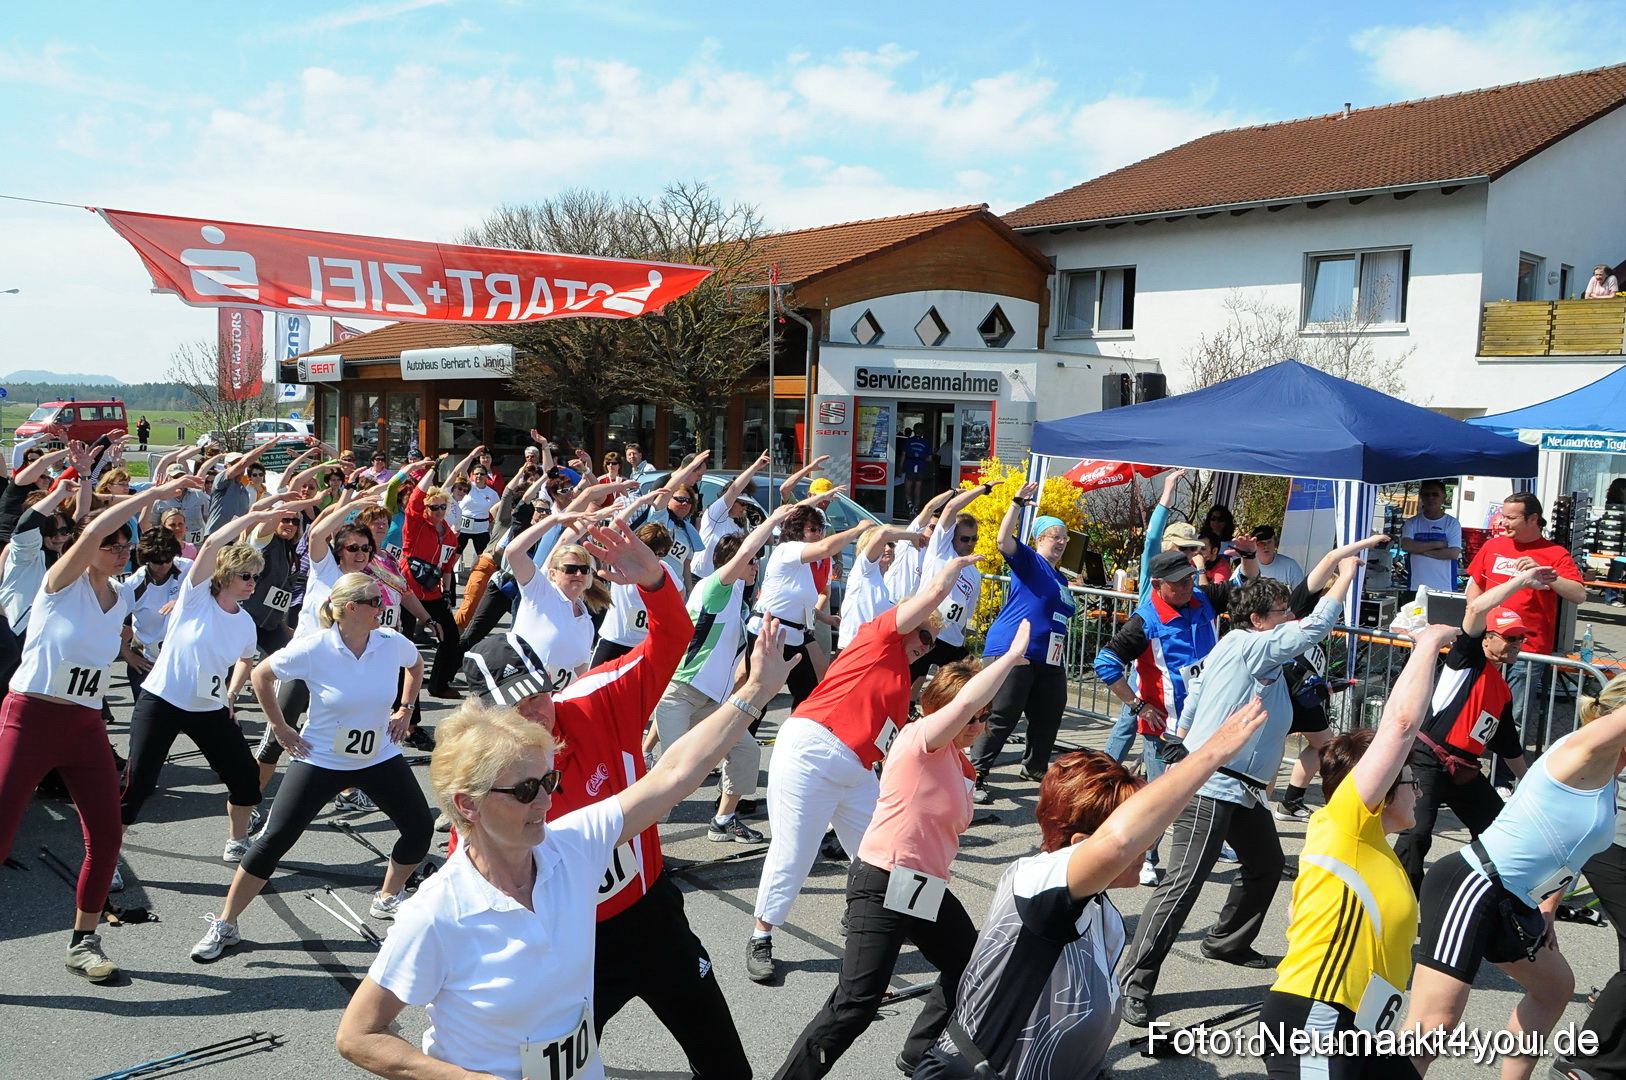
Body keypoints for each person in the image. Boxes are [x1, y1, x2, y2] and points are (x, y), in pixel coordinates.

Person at [334, 620, 798, 1080]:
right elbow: (358, 1036)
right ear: (467, 805)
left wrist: (754, 691)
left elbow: (675, 772)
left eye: (548, 782)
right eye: (523, 791)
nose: (544, 802)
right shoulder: (438, 910)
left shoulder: (571, 848)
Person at [914, 699, 1269, 1080]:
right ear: (1081, 841)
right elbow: (1118, 842)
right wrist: (1212, 753)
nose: (1149, 848)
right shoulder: (1036, 881)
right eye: (1143, 838)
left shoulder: (1102, 913)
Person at [772, 631, 1031, 1080]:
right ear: (948, 710)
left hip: (922, 887)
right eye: (975, 717)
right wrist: (1006, 660)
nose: (981, 727)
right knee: (855, 1005)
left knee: (967, 970)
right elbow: (965, 704)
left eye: (987, 720)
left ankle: (920, 1053)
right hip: (883, 878)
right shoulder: (920, 740)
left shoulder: (956, 759)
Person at [1118, 563, 1355, 1027]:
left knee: (1266, 865)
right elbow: (1316, 627)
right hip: (1213, 784)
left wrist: (1182, 734)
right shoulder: (1251, 646)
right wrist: (1344, 576)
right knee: (1182, 885)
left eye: (1289, 611)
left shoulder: (1237, 645)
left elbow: (1199, 686)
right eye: (1282, 613)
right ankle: (1133, 979)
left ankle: (1226, 942)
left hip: (1241, 789)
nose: (1289, 619)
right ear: (1258, 621)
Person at [0, 471, 202, 983]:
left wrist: (138, 656)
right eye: (111, 542)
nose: (120, 549)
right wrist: (151, 496)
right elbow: (88, 534)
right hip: (30, 717)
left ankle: (83, 941)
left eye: (125, 543)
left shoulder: (122, 596)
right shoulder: (57, 584)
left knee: (107, 835)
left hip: (84, 726)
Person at [746, 554, 978, 983]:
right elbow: (930, 595)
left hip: (857, 769)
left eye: (931, 642)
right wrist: (952, 568)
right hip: (812, 748)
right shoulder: (879, 637)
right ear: (908, 623)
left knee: (889, 848)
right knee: (794, 851)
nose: (925, 645)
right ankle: (762, 934)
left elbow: (899, 746)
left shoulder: (902, 685)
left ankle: (904, 923)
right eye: (923, 633)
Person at [191, 573, 432, 961]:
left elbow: (416, 665)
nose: (384, 606)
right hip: (321, 758)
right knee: (274, 839)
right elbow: (260, 675)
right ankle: (226, 922)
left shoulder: (390, 642)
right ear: (350, 608)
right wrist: (280, 726)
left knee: (419, 827)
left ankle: (388, 897)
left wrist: (405, 709)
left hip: (378, 756)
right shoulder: (314, 648)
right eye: (375, 601)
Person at [1258, 623, 1459, 1080]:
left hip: (1361, 1029)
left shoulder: (1367, 852)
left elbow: (1298, 915)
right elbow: (1402, 726)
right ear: (1384, 788)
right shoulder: (1345, 824)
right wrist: (1428, 644)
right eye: (1412, 783)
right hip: (1317, 1022)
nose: (1421, 795)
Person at [1406, 674, 1626, 1080]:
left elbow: (1568, 851)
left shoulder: (1609, 777)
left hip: (1516, 899)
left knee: (1554, 988)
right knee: (1433, 1027)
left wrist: (1547, 906)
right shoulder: (1582, 750)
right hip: (1473, 884)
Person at [118, 509, 283, 860]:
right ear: (224, 576)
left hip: (209, 707)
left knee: (246, 780)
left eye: (256, 575)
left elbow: (245, 660)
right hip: (162, 700)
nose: (252, 582)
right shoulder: (194, 599)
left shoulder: (245, 624)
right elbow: (210, 543)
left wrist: (232, 694)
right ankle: (108, 853)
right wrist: (255, 515)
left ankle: (237, 842)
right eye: (245, 575)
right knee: (139, 784)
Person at [1391, 567, 1555, 892]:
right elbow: (1477, 608)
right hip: (1428, 759)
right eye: (1510, 637)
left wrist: (1530, 783)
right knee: (1417, 831)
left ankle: (1483, 888)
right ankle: (1396, 897)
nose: (1517, 643)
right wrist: (1522, 581)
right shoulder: (1465, 660)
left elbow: (1508, 745)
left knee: (1498, 827)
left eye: (1521, 638)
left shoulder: (1502, 689)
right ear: (1487, 640)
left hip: (1463, 769)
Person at [652, 507, 791, 843]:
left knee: (746, 752)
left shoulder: (740, 602)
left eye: (758, 560)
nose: (756, 565)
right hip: (681, 692)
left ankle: (724, 820)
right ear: (732, 564)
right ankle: (645, 841)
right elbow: (743, 550)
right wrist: (772, 520)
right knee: (676, 775)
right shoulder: (715, 588)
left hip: (714, 701)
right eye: (752, 560)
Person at [1095, 549, 1230, 879]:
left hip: (1209, 719)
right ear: (1157, 585)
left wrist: (1249, 555)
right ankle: (1147, 856)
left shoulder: (1204, 598)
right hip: (1166, 726)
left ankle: (1214, 842)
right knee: (1161, 797)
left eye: (1189, 579)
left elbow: (1249, 587)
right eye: (1178, 583)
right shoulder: (1145, 622)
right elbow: (1105, 663)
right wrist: (1138, 704)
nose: (1187, 587)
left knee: (1214, 788)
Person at [967, 485, 1077, 801]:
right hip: (1014, 650)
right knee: (1002, 715)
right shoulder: (1029, 560)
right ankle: (976, 774)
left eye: (1065, 538)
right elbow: (1003, 541)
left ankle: (1035, 766)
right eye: (1055, 536)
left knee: (1051, 710)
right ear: (1038, 539)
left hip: (1049, 656)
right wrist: (1017, 504)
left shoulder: (1061, 579)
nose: (1061, 542)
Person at [1466, 493, 1586, 769]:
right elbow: (1476, 584)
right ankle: (1469, 764)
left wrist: (1549, 575)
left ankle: (1506, 776)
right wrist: (1475, 614)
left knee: (1513, 716)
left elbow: (1579, 594)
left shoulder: (1555, 553)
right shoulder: (1494, 545)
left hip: (1524, 652)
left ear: (1533, 519)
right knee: (1474, 708)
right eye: (1503, 515)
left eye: (1511, 517)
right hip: (1487, 644)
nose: (1502, 522)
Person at [748, 496, 869, 705]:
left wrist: (824, 618)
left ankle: (792, 736)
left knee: (807, 692)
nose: (819, 534)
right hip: (770, 631)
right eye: (813, 530)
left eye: (821, 530)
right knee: (759, 698)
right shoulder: (788, 549)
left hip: (794, 634)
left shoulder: (805, 563)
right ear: (797, 531)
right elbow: (826, 548)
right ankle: (738, 735)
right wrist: (858, 529)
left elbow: (799, 604)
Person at [505, 512, 611, 690]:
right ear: (553, 573)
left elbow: (579, 673)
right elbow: (513, 552)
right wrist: (553, 520)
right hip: (521, 692)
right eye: (570, 569)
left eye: (584, 569)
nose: (578, 574)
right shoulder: (541, 591)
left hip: (554, 702)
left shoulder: (586, 621)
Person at [912, 482, 994, 676]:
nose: (970, 543)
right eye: (965, 539)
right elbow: (950, 508)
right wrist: (984, 488)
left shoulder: (974, 573)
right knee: (908, 679)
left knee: (968, 679)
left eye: (974, 539)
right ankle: (907, 706)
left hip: (952, 640)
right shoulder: (941, 550)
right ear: (951, 537)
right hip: (924, 629)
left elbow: (966, 614)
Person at [403, 458, 466, 704]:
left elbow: (447, 567)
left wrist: (448, 592)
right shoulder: (416, 524)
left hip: (432, 590)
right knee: (404, 641)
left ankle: (439, 684)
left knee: (451, 636)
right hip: (407, 589)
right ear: (426, 509)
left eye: (443, 507)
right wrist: (432, 470)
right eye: (434, 507)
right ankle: (401, 695)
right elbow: (415, 500)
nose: (439, 511)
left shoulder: (450, 535)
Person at [591, 523, 678, 666]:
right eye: (652, 551)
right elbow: (607, 533)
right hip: (614, 639)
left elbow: (679, 594)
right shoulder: (621, 561)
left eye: (661, 554)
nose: (655, 558)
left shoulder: (664, 570)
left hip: (644, 646)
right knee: (589, 685)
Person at [118, 527, 189, 698]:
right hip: (147, 662)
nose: (164, 565)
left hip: (181, 660)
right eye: (157, 561)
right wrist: (128, 655)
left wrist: (182, 602)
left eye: (168, 560)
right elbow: (109, 626)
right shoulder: (132, 586)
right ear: (146, 559)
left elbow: (210, 598)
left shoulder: (187, 569)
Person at [838, 523, 923, 651]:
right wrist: (913, 536)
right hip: (852, 647)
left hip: (869, 648)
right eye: (884, 545)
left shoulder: (881, 584)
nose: (888, 548)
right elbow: (883, 534)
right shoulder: (864, 569)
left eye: (891, 544)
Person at [1401, 479, 1463, 597]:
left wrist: (1420, 550)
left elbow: (1453, 553)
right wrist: (1438, 545)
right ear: (1421, 497)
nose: (1431, 498)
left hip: (1444, 587)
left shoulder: (1452, 523)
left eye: (1435, 494)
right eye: (1427, 495)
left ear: (1443, 497)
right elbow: (1407, 545)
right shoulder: (1412, 522)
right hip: (1416, 587)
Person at [203, 440, 277, 536]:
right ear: (226, 467)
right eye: (234, 464)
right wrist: (266, 446)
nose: (240, 468)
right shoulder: (221, 479)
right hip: (215, 536)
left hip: (234, 540)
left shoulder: (244, 491)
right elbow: (244, 463)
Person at [1240, 523, 1305, 588]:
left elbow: (1300, 594)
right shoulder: (1246, 567)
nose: (1266, 546)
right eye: (1261, 543)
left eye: (1269, 542)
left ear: (1275, 542)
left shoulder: (1291, 566)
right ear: (1254, 545)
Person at [902, 425, 931, 515]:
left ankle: (910, 504)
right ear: (922, 431)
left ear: (914, 431)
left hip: (910, 467)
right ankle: (915, 509)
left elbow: (903, 456)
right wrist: (922, 460)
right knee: (918, 490)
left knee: (907, 490)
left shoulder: (908, 441)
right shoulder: (926, 443)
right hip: (920, 468)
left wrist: (900, 468)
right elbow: (930, 458)